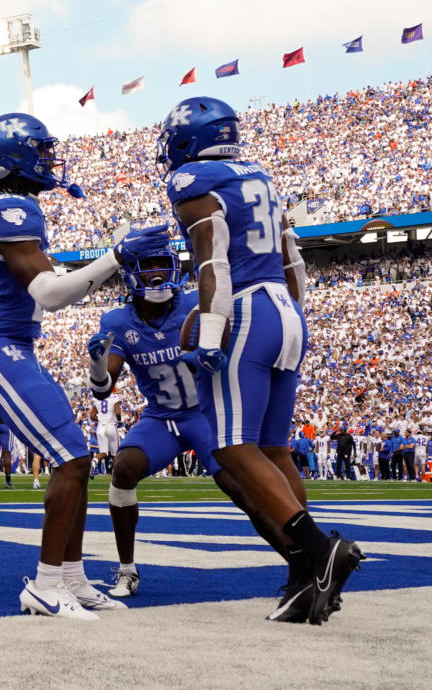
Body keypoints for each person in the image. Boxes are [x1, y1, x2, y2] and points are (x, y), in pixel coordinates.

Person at [161, 94, 361, 624]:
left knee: (232, 449)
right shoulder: (259, 176)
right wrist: (290, 312)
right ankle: (306, 573)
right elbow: (292, 257)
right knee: (274, 449)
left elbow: (213, 261)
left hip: (246, 309)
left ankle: (317, 549)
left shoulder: (191, 181)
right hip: (285, 309)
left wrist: (209, 327)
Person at [0, 112, 126, 619]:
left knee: (78, 456)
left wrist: (107, 261)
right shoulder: (10, 207)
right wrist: (114, 258)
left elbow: (54, 283)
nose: (50, 160)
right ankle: (46, 585)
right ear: (19, 155)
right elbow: (48, 294)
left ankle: (71, 577)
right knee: (70, 456)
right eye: (41, 150)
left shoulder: (10, 207)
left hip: (12, 345)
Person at [88, 224, 299, 599]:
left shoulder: (193, 303)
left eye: (162, 264)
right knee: (124, 467)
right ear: (131, 273)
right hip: (162, 417)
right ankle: (127, 569)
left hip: (206, 413)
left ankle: (302, 561)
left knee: (241, 489)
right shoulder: (117, 322)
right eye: (147, 265)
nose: (156, 273)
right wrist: (98, 366)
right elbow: (105, 388)